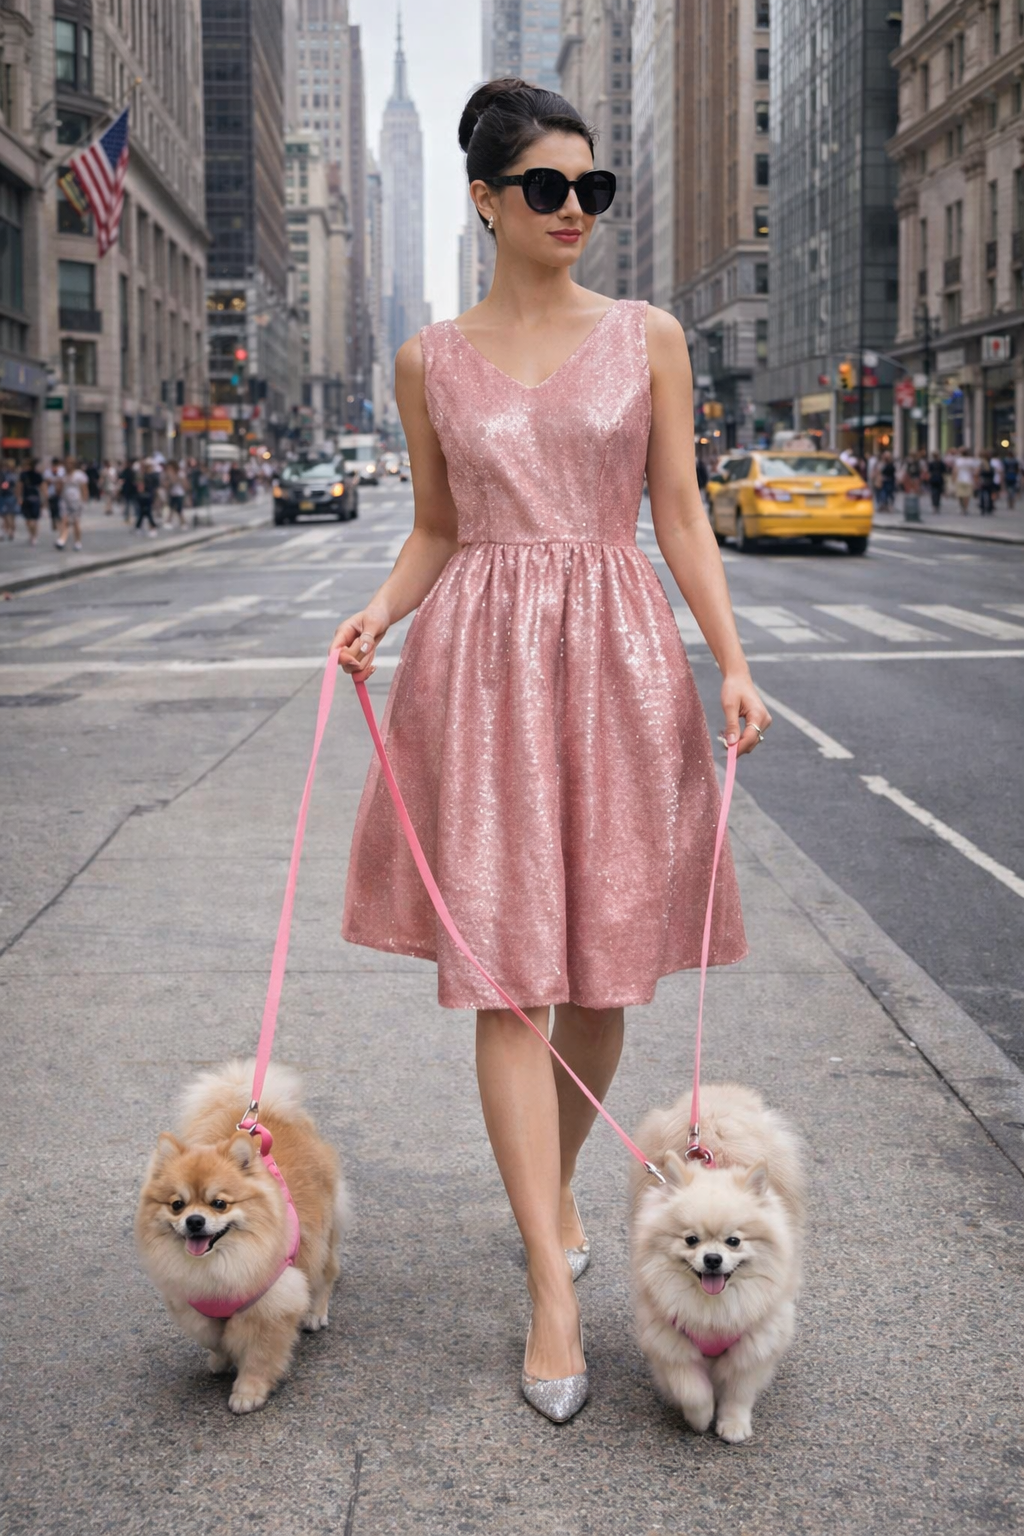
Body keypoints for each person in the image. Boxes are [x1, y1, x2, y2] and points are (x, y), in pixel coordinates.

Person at [332, 77, 769, 1425]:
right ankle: (549, 1283)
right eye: (547, 188)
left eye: (593, 188)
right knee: (508, 979)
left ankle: (558, 1187)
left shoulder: (649, 337)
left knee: (602, 971)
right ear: (486, 200)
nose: (575, 208)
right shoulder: (428, 359)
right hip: (479, 672)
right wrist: (380, 610)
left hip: (619, 661)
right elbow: (439, 527)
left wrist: (732, 660)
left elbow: (680, 512)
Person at [56, 456, 89, 549]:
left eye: (70, 463)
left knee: (75, 522)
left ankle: (77, 541)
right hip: (64, 500)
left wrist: (84, 501)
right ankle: (62, 539)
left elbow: (84, 489)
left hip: (76, 501)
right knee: (64, 520)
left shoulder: (79, 475)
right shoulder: (62, 475)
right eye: (66, 463)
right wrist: (59, 483)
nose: (68, 465)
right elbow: (58, 490)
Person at [19, 460, 44, 544]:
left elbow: (19, 486)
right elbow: (42, 487)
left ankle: (33, 535)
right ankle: (33, 535)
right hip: (32, 498)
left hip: (30, 498)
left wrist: (19, 497)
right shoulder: (28, 474)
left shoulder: (27, 474)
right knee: (32, 520)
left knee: (31, 519)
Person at [135, 458, 158, 535]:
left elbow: (153, 487)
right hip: (143, 496)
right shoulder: (143, 475)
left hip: (148, 495)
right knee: (144, 512)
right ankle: (140, 527)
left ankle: (151, 527)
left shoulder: (151, 475)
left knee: (146, 512)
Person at [952, 448, 977, 514]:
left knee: (960, 494)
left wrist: (953, 479)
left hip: (960, 479)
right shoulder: (971, 460)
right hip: (968, 479)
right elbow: (974, 471)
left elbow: (955, 471)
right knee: (967, 495)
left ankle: (962, 506)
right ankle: (965, 508)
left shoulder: (958, 460)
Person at [44, 457, 65, 533]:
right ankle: (54, 523)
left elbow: (62, 480)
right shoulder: (48, 471)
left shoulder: (62, 470)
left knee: (60, 509)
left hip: (60, 493)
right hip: (51, 492)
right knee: (53, 508)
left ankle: (59, 523)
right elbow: (47, 481)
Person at [0, 459, 17, 540]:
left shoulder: (9, 475)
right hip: (5, 496)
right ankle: (7, 531)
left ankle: (10, 531)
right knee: (5, 515)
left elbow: (5, 485)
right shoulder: (9, 474)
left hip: (9, 496)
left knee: (9, 515)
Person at [166, 460, 187, 528]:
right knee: (172, 509)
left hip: (179, 493)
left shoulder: (180, 473)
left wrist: (173, 477)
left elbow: (183, 483)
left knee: (179, 509)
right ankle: (169, 522)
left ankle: (183, 523)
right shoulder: (169, 475)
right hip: (172, 493)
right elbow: (167, 484)